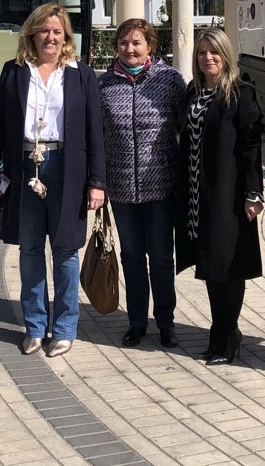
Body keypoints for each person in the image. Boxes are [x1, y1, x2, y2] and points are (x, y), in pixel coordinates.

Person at [0, 3, 106, 359]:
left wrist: (97, 182)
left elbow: (95, 132)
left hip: (67, 166)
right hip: (25, 165)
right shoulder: (14, 72)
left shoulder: (81, 74)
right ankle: (35, 327)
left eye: (57, 31)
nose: (50, 37)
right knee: (30, 249)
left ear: (65, 36)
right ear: (32, 33)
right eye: (44, 30)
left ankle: (65, 329)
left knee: (66, 250)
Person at [176, 27, 263, 366]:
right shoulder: (193, 92)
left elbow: (251, 147)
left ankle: (227, 333)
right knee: (212, 267)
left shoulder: (240, 93)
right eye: (202, 53)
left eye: (214, 52)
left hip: (229, 194)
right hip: (198, 195)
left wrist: (253, 193)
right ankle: (220, 330)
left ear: (225, 56)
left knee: (229, 266)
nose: (207, 58)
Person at [98, 18, 187, 349]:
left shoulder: (169, 81)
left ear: (150, 46)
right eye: (123, 42)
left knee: (162, 256)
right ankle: (137, 321)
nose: (130, 48)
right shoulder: (104, 85)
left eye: (137, 42)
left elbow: (185, 128)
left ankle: (166, 321)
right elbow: (98, 136)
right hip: (121, 188)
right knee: (132, 256)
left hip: (161, 185)